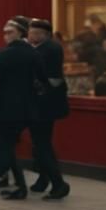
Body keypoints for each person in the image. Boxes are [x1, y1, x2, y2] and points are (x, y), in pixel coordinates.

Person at [0, 16, 44, 200]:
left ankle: (20, 186)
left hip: (7, 108)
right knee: (17, 146)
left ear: (20, 32)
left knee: (6, 148)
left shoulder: (3, 55)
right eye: (4, 32)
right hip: (29, 108)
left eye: (9, 32)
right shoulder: (34, 53)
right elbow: (41, 79)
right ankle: (42, 182)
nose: (5, 36)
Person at [27, 19, 70, 200]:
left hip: (45, 104)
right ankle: (43, 179)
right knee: (39, 144)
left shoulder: (49, 49)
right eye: (31, 32)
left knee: (42, 144)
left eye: (36, 33)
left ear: (46, 35)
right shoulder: (43, 48)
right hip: (43, 103)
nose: (32, 36)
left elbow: (42, 77)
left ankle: (58, 183)